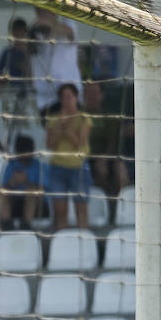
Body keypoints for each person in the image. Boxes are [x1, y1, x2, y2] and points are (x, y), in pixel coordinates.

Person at [45, 83, 92, 230]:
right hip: (58, 167)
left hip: (78, 168)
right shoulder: (53, 119)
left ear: (76, 97)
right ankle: (61, 244)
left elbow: (79, 143)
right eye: (63, 98)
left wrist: (66, 127)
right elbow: (50, 144)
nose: (67, 101)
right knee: (60, 211)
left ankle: (84, 242)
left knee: (81, 210)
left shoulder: (84, 118)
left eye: (69, 97)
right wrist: (61, 125)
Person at [30, 9, 81, 123]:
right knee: (53, 139)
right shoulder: (35, 30)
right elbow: (29, 48)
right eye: (39, 11)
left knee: (74, 138)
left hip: (70, 97)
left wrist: (48, 26)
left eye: (44, 10)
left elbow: (68, 32)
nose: (41, 14)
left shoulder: (68, 24)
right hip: (46, 100)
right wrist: (37, 29)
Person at [0, 134, 42, 230]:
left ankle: (26, 226)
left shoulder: (38, 166)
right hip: (14, 201)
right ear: (17, 152)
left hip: (36, 205)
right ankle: (7, 225)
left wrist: (26, 181)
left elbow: (44, 189)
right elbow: (5, 186)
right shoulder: (11, 164)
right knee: (1, 192)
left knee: (32, 191)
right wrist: (12, 182)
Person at [0, 18, 31, 86]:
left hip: (29, 88)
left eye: (20, 31)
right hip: (11, 89)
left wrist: (26, 53)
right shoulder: (7, 52)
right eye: (14, 32)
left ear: (25, 32)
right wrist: (3, 78)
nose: (17, 35)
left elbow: (31, 73)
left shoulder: (32, 52)